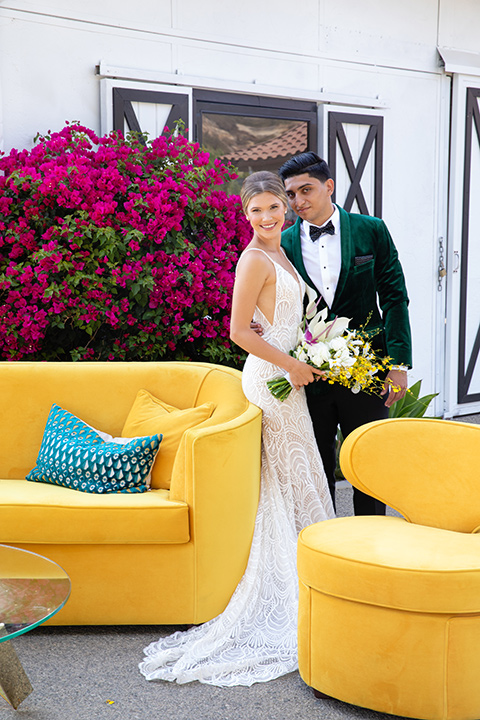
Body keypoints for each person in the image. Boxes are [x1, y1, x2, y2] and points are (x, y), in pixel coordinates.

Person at [139, 171, 334, 687]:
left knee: (298, 476)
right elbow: (237, 330)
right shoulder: (252, 259)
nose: (267, 217)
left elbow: (285, 319)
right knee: (284, 480)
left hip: (287, 376)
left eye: (274, 207)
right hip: (269, 380)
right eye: (257, 211)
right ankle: (307, 583)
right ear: (244, 215)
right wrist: (290, 365)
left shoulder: (281, 255)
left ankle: (323, 577)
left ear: (285, 210)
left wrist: (307, 352)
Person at [277, 152, 412, 515]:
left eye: (306, 190)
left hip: (367, 366)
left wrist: (398, 364)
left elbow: (395, 298)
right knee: (317, 465)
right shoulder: (282, 243)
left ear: (329, 186)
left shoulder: (372, 229)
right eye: (291, 194)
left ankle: (369, 542)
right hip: (311, 372)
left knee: (367, 460)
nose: (298, 202)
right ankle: (327, 544)